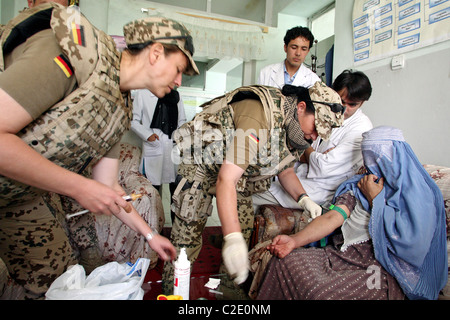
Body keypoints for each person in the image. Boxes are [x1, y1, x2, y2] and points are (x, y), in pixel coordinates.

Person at [0, 3, 199, 298]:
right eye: (179, 69)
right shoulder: (73, 54)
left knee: (59, 280)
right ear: (156, 53)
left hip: (19, 196)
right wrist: (80, 187)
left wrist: (151, 235)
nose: (179, 81)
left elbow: (108, 186)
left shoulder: (119, 107)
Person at [161, 81, 345, 292]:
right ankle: (172, 293)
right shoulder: (260, 115)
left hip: (235, 172)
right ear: (301, 107)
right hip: (201, 167)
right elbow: (226, 180)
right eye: (315, 128)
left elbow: (284, 170)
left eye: (320, 134)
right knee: (186, 240)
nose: (314, 137)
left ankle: (228, 292)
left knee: (244, 228)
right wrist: (231, 237)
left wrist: (304, 198)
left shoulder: (295, 132)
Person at [256, 126, 448, 300]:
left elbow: (413, 245)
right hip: (344, 256)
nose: (374, 165)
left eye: (379, 157)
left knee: (321, 293)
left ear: (397, 156)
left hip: (385, 269)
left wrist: (376, 200)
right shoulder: (361, 185)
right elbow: (333, 217)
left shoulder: (420, 195)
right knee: (285, 262)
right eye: (369, 157)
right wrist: (294, 241)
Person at [253, 70, 373, 210]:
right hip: (297, 173)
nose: (344, 109)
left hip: (320, 188)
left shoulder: (361, 128)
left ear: (362, 103)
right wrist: (314, 154)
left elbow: (324, 167)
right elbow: (297, 149)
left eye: (352, 105)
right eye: (341, 101)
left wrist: (307, 150)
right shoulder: (326, 111)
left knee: (253, 194)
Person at [131, 88, 186, 222]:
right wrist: (148, 135)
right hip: (154, 146)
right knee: (153, 193)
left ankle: (176, 230)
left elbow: (182, 121)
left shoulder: (176, 96)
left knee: (176, 194)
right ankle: (155, 228)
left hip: (173, 147)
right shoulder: (142, 94)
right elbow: (133, 121)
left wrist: (179, 137)